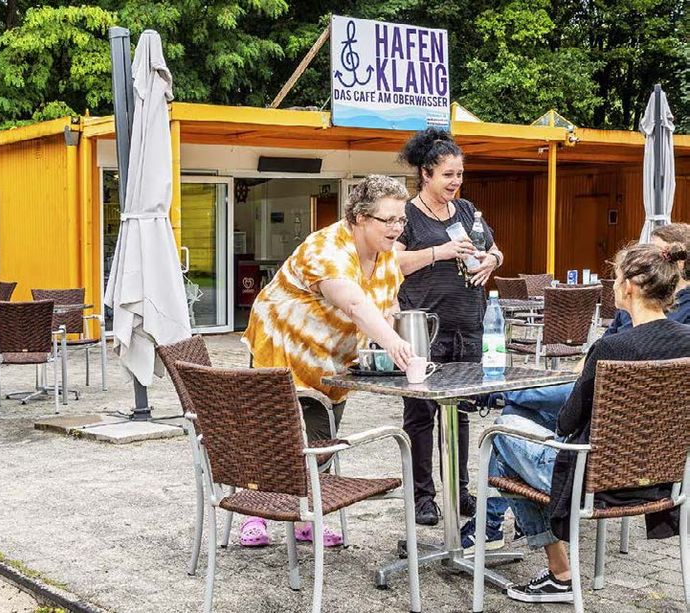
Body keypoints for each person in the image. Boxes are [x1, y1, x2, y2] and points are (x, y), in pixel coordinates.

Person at [460, 222, 690, 552]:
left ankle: (555, 566)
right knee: (514, 424)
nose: (612, 286)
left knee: (502, 432)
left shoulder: (612, 348)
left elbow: (567, 422)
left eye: (616, 279)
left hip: (592, 482)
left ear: (629, 288)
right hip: (663, 483)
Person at [240, 175, 414, 547]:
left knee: (321, 439)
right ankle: (256, 513)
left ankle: (307, 517)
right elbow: (354, 303)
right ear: (361, 217)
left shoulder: (384, 255)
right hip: (283, 347)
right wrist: (394, 344)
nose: (397, 227)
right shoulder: (326, 248)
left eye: (401, 219)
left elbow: (388, 305)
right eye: (389, 219)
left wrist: (399, 342)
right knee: (273, 436)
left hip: (332, 359)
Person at [394, 128, 505, 525]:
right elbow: (392, 263)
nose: (456, 182)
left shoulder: (466, 210)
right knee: (421, 416)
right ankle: (423, 497)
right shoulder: (406, 215)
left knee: (459, 414)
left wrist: (493, 260)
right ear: (426, 174)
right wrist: (439, 252)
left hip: (468, 327)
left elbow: (494, 249)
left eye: (459, 174)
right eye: (448, 175)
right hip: (423, 330)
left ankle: (458, 491)